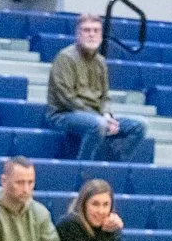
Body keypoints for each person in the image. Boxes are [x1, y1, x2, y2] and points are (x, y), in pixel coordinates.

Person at [46, 14, 149, 162]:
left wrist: (107, 114)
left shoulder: (101, 62)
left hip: (96, 116)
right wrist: (100, 118)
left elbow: (105, 97)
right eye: (86, 30)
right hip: (63, 115)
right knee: (99, 125)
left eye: (96, 31)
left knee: (139, 125)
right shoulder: (65, 58)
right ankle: (82, 169)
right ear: (78, 34)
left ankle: (115, 164)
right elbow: (67, 98)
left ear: (101, 36)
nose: (91, 34)